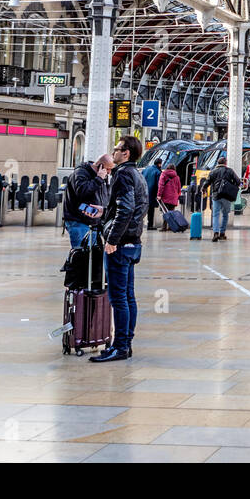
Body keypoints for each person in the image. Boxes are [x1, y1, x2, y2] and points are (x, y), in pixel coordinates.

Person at [91, 135, 147, 363]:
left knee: (118, 298)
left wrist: (112, 239)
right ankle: (126, 343)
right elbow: (132, 209)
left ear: (126, 153)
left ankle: (120, 346)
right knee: (128, 296)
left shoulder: (123, 174)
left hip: (121, 245)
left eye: (117, 149)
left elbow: (126, 209)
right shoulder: (138, 174)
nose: (113, 152)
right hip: (133, 242)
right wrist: (105, 212)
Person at [63, 154, 113, 249]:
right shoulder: (80, 173)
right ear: (100, 166)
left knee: (93, 254)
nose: (109, 172)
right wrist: (98, 179)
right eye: (108, 169)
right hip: (79, 220)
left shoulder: (103, 176)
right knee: (81, 254)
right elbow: (82, 192)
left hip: (94, 220)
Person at [204, 153, 240, 241]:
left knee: (215, 214)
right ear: (225, 163)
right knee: (225, 214)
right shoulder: (230, 171)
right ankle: (222, 233)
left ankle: (215, 233)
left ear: (217, 163)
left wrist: (203, 188)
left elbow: (207, 182)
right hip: (227, 196)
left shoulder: (213, 171)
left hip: (216, 195)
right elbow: (238, 181)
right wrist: (232, 187)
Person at [141, 156, 162, 229]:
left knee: (143, 209)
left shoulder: (145, 169)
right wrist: (159, 194)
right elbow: (159, 184)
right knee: (151, 210)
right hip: (152, 193)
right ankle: (150, 225)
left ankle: (140, 224)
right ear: (159, 164)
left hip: (143, 192)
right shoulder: (158, 172)